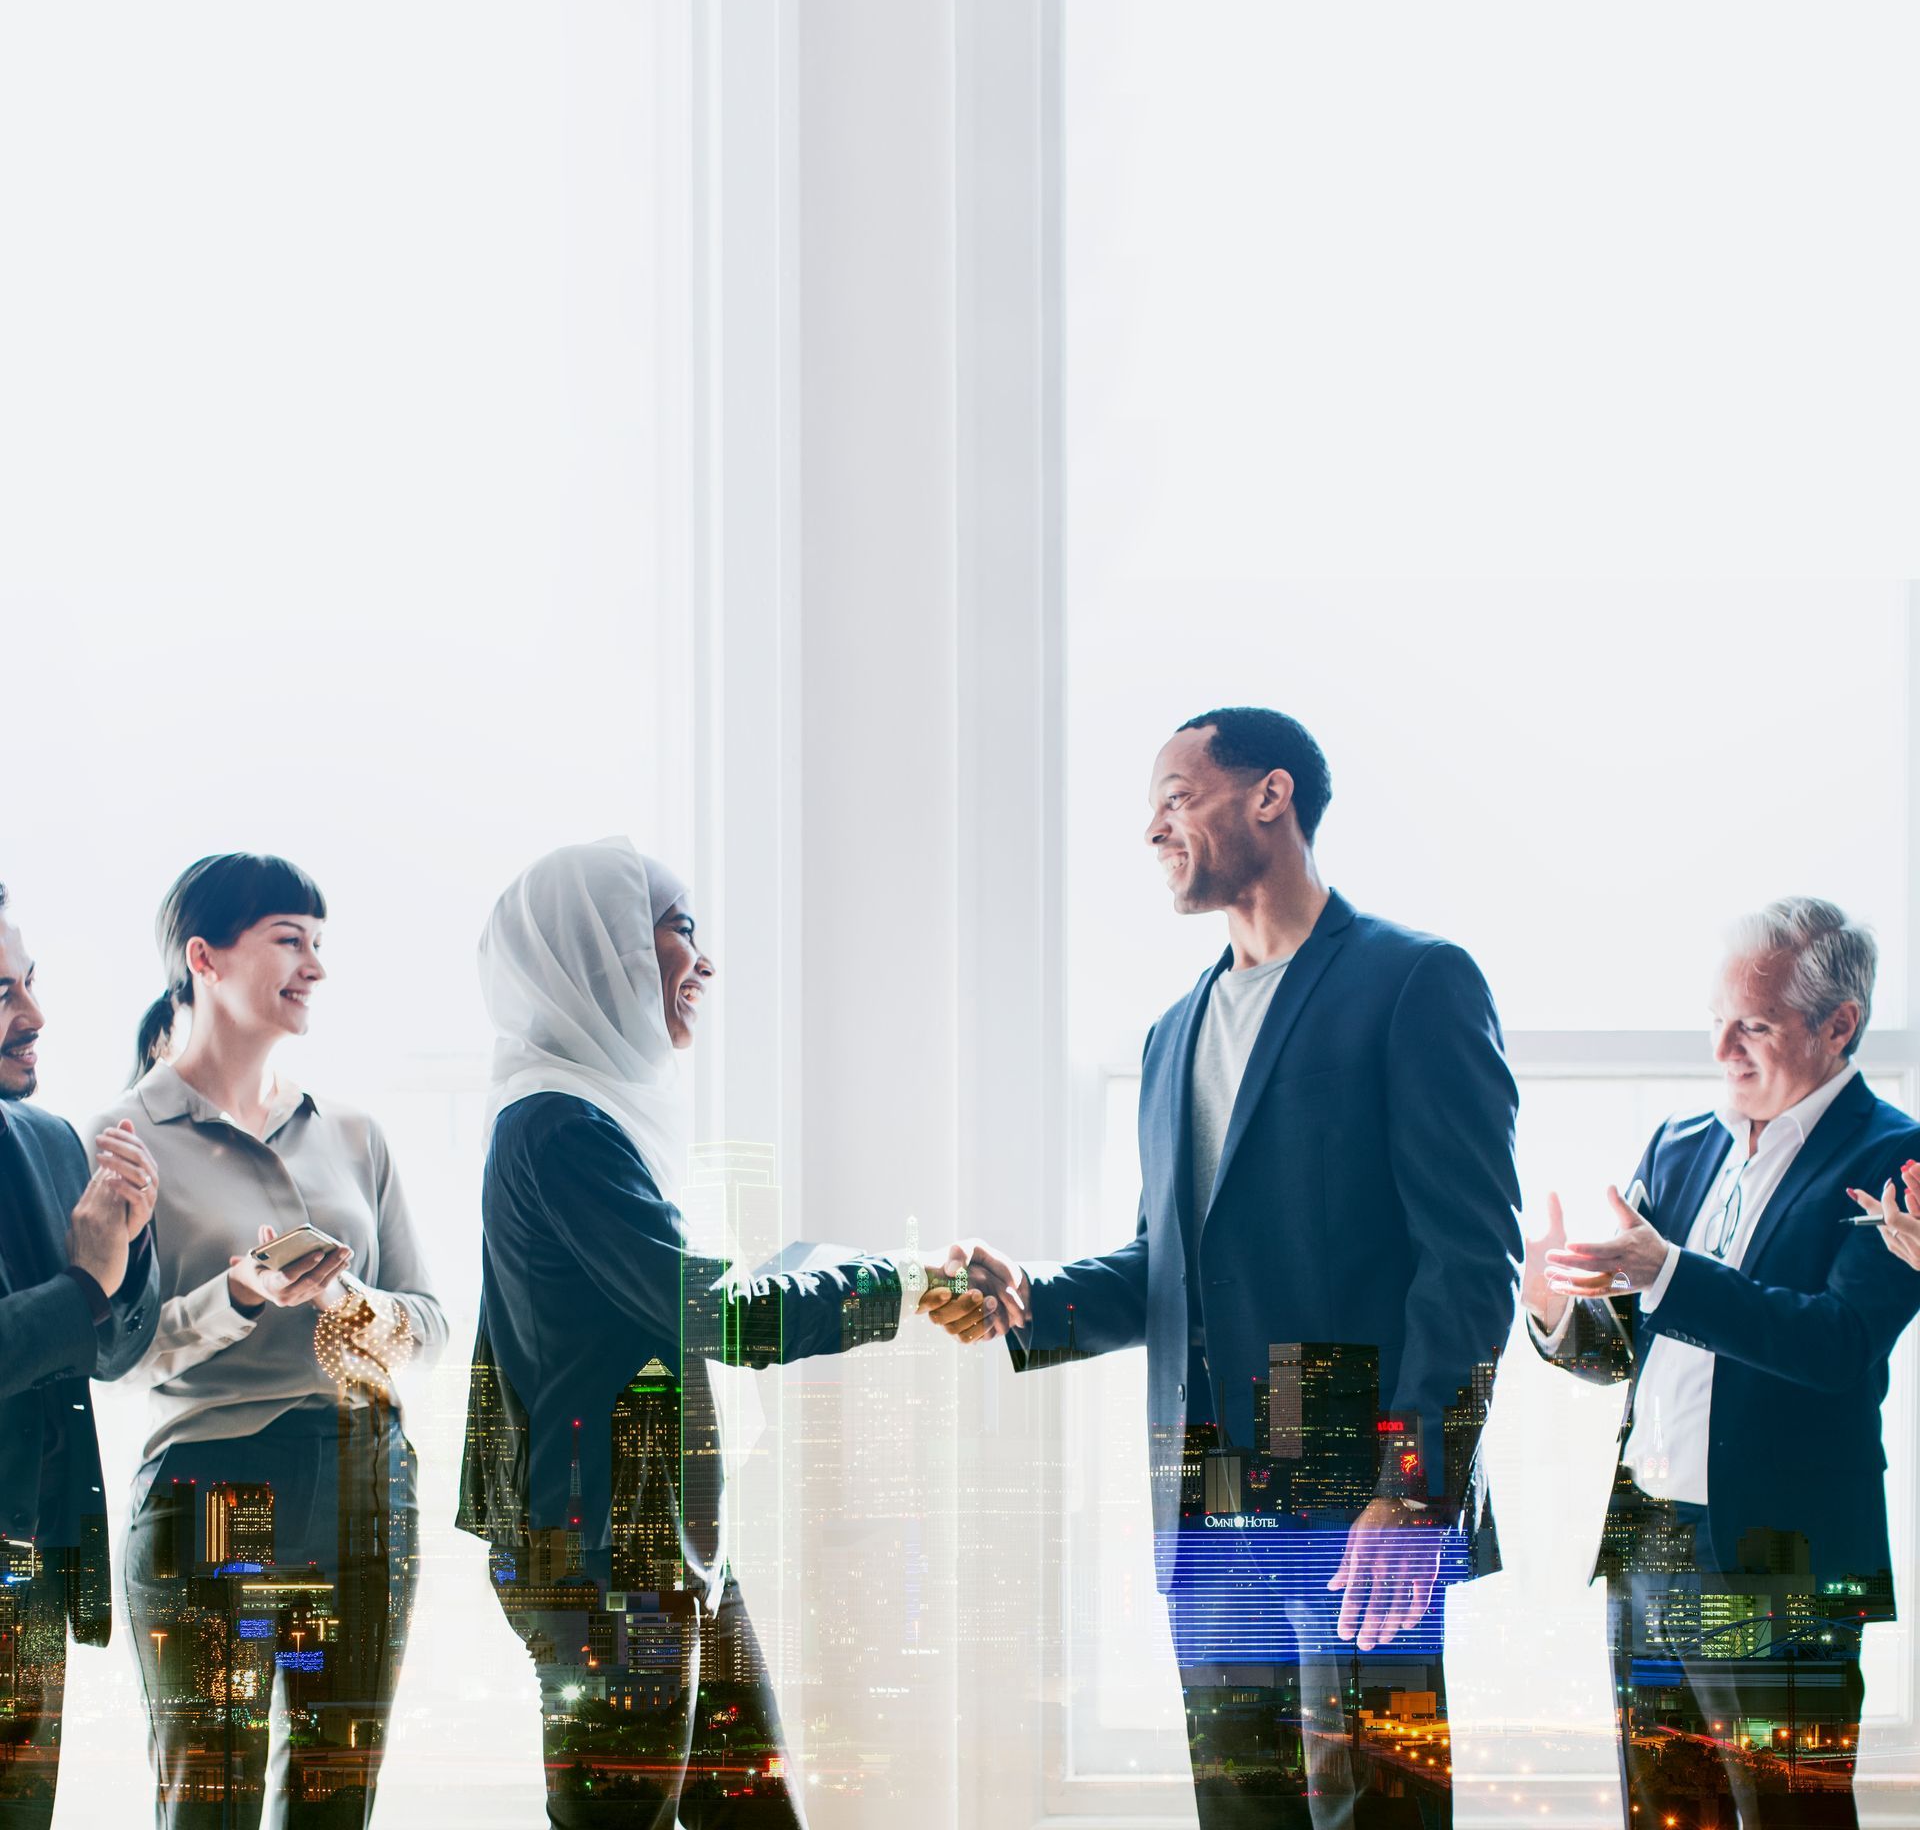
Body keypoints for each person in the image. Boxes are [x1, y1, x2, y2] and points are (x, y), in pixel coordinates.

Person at [928, 709, 1522, 1830]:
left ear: (1270, 796)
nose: (1154, 829)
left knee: (1381, 1810)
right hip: (1206, 1503)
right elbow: (1168, 1270)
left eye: (1176, 796)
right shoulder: (1171, 1035)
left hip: (1357, 1498)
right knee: (1241, 1809)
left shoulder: (1415, 980)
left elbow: (1470, 1261)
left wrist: (1414, 1486)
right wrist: (1027, 1296)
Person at [458, 837, 967, 1830]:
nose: (705, 961)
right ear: (598, 946)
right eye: (680, 927)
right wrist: (901, 1281)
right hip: (609, 1556)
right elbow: (724, 1312)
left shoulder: (598, 1118)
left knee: (754, 1812)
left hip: (661, 1538)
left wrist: (889, 1274)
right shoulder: (560, 1127)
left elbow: (704, 1296)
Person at [1527, 897, 1915, 1830]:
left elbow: (1836, 1345)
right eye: (1716, 1020)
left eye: (1755, 1026)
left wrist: (1668, 1271)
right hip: (1647, 1543)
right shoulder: (1681, 1144)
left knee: (1790, 1817)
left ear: (1839, 1025)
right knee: (1664, 1813)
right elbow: (1628, 1352)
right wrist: (1553, 1313)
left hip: (1783, 1556)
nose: (1722, 1050)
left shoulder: (1897, 1157)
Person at [96, 853, 447, 1830]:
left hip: (367, 1485)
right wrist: (239, 1293)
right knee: (209, 1803)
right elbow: (116, 1355)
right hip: (212, 1486)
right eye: (290, 939)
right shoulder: (122, 1139)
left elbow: (430, 1325)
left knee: (337, 1803)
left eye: (319, 943)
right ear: (203, 958)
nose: (315, 966)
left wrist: (348, 1301)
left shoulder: (356, 1134)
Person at [0, 881, 161, 1829]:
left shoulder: (53, 1140)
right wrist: (85, 1282)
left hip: (33, 1582)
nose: (34, 1015)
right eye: (2, 994)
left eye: (30, 981)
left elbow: (111, 1354)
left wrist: (127, 1246)